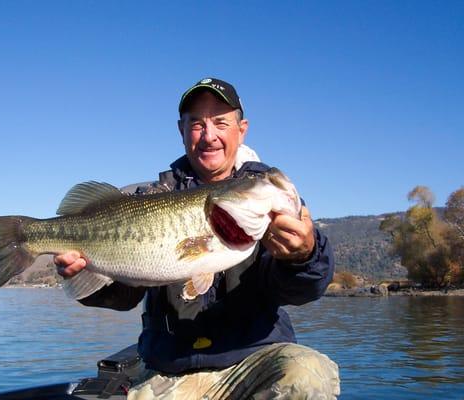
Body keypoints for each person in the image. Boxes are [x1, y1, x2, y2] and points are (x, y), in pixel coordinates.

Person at [55, 78, 340, 399]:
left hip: (253, 358)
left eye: (221, 122)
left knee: (308, 374)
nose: (209, 135)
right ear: (181, 130)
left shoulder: (264, 203)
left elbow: (304, 288)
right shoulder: (148, 197)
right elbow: (124, 296)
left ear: (241, 129)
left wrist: (303, 256)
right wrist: (85, 274)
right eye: (197, 124)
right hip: (170, 367)